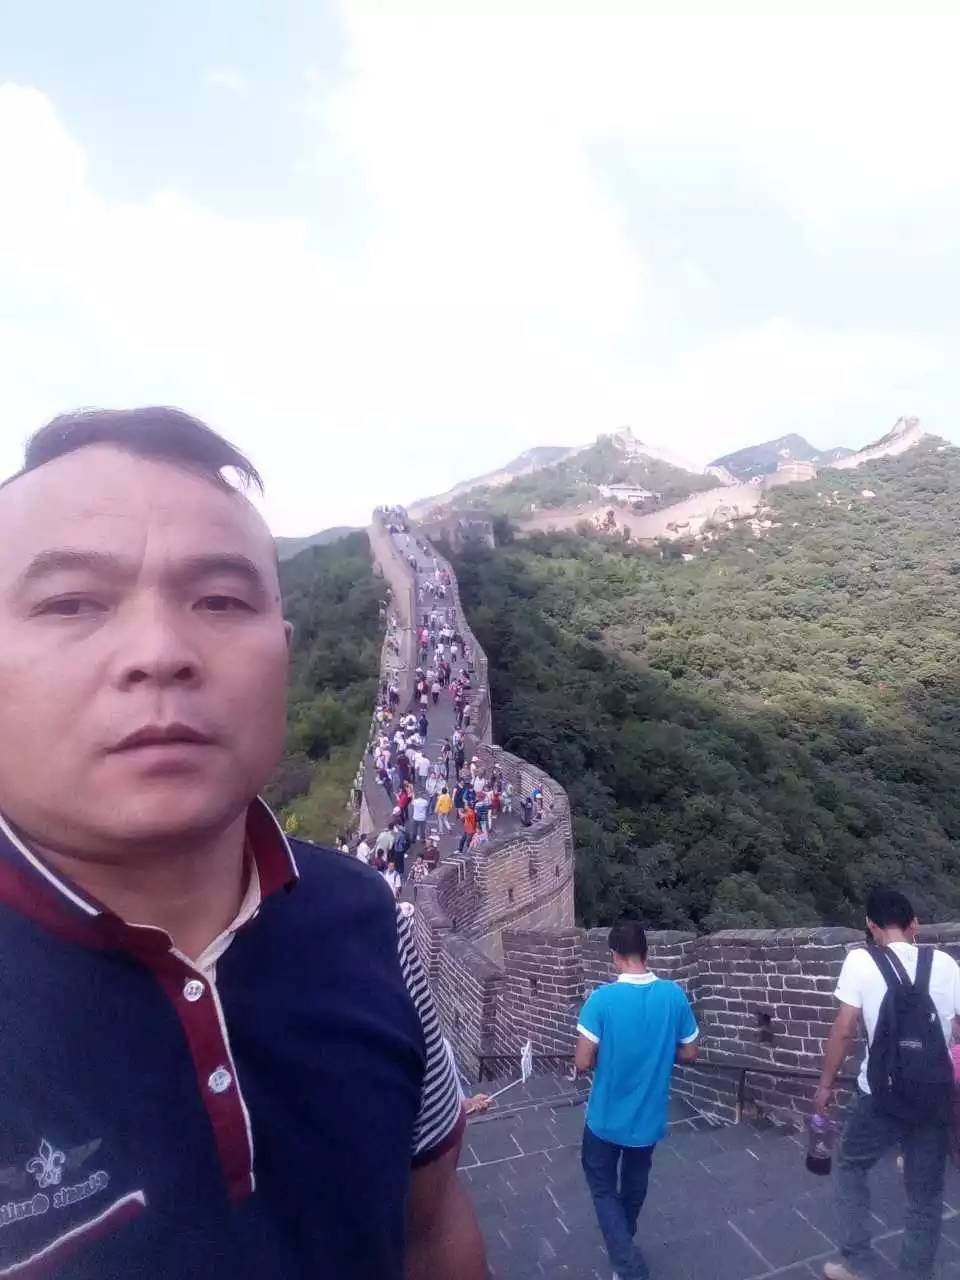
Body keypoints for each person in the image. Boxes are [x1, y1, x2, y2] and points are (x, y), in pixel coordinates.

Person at [0, 407, 485, 1278]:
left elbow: (433, 1229)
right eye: (72, 602)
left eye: (221, 601)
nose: (159, 652)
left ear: (285, 653)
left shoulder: (370, 921)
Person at [815, 887, 960, 1280]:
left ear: (871, 925)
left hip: (881, 1094)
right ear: (914, 924)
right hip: (933, 1095)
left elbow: (845, 1029)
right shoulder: (945, 964)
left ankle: (857, 1262)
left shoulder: (860, 960)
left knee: (850, 1165)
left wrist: (825, 1085)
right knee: (926, 1196)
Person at [575, 921, 698, 1280]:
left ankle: (628, 1266)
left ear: (614, 955)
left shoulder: (601, 1000)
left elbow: (582, 1061)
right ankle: (623, 1248)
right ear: (647, 952)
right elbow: (691, 1052)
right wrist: (659, 1051)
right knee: (633, 1185)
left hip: (604, 1119)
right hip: (648, 1119)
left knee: (602, 1186)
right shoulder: (673, 996)